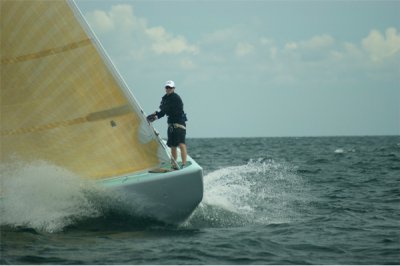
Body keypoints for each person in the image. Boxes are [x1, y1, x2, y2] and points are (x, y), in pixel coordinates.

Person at [147, 80, 187, 169]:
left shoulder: (175, 98)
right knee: (173, 145)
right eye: (167, 87)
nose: (168, 89)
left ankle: (184, 164)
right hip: (171, 124)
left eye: (170, 87)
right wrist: (153, 115)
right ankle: (174, 164)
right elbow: (161, 110)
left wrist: (156, 117)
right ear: (165, 88)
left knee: (181, 144)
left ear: (174, 88)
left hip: (179, 123)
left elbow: (166, 110)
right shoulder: (164, 98)